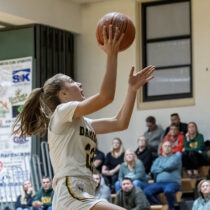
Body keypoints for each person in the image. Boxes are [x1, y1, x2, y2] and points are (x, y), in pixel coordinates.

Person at [13, 24, 155, 210]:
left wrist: (132, 90)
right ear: (62, 95)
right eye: (71, 82)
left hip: (83, 189)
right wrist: (112, 54)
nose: (79, 84)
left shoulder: (83, 123)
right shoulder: (62, 113)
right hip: (72, 190)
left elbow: (120, 123)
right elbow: (106, 97)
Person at [144, 141, 182, 210]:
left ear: (172, 148)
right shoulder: (158, 159)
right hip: (159, 183)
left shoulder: (176, 157)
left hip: (173, 183)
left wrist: (160, 167)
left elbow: (169, 166)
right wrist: (164, 168)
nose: (167, 148)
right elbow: (153, 169)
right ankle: (158, 206)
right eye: (165, 146)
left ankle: (171, 208)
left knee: (168, 190)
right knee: (146, 191)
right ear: (162, 148)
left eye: (169, 146)